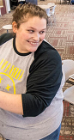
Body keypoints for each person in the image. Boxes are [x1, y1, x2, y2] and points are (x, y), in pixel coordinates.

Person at [0, 3, 64, 140]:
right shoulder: (4, 41)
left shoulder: (49, 58)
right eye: (31, 31)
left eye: (42, 32)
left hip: (38, 132)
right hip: (7, 126)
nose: (37, 38)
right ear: (15, 27)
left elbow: (35, 104)